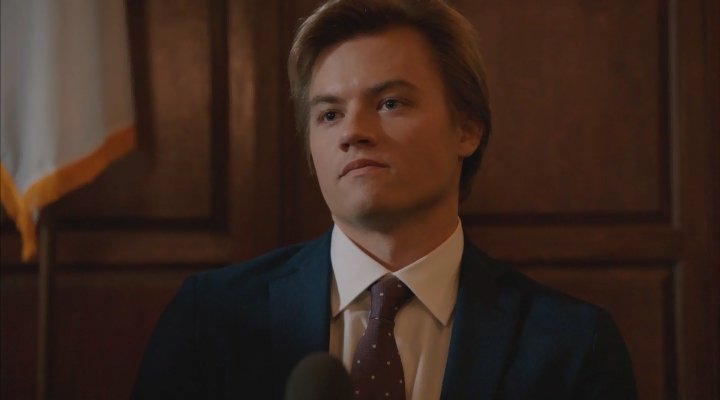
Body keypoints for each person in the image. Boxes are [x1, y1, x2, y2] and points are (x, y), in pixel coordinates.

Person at [133, 0, 637, 399]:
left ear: (467, 130)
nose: (353, 132)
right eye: (329, 114)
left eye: (390, 103)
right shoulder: (210, 318)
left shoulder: (572, 344)